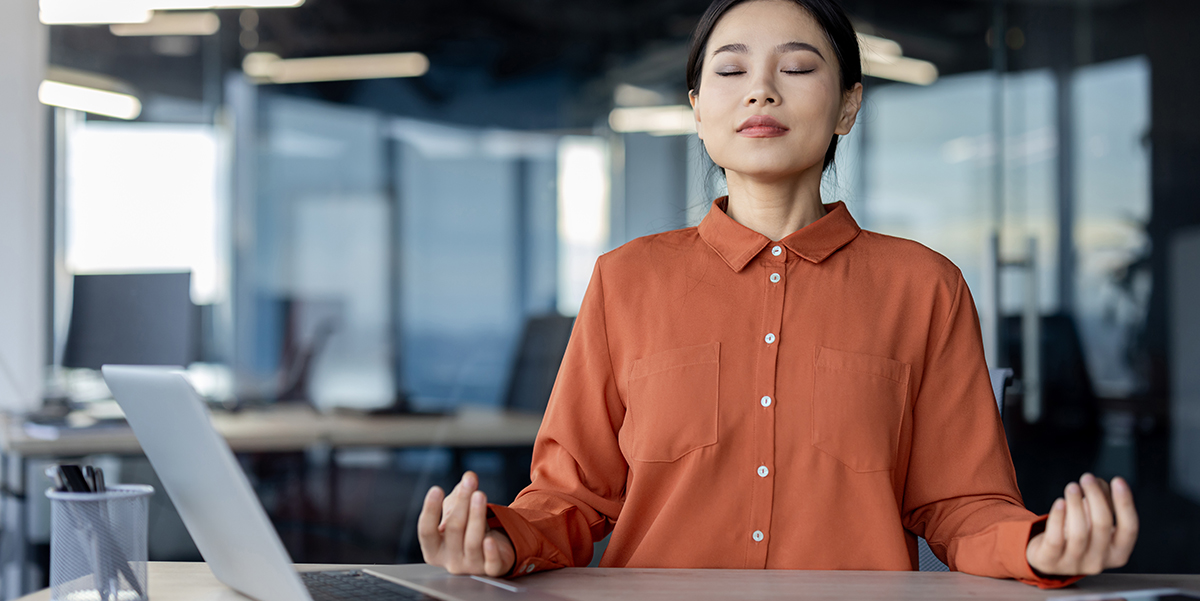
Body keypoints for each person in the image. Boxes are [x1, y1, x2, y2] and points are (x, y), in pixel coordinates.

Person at [416, 0, 1138, 587]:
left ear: (848, 106)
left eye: (797, 67)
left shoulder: (925, 286)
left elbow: (959, 504)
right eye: (730, 72)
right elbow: (573, 499)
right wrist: (500, 540)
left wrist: (1039, 548)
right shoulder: (626, 280)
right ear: (698, 110)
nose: (762, 90)